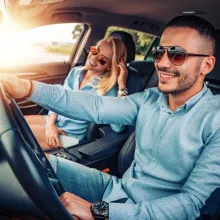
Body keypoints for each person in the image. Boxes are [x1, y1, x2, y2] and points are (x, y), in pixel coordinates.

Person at [1, 15, 220, 220]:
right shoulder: (148, 99)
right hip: (116, 188)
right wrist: (27, 87)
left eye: (177, 54)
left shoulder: (215, 120)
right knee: (37, 162)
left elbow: (190, 204)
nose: (162, 63)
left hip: (148, 212)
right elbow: (93, 105)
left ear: (207, 65)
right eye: (159, 52)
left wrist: (99, 211)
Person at [25, 36, 128, 149]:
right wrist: (50, 124)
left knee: (15, 133)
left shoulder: (107, 89)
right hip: (55, 121)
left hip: (69, 135)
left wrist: (122, 85)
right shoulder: (76, 72)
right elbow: (58, 98)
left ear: (110, 66)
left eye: (102, 59)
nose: (93, 58)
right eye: (95, 51)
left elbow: (118, 127)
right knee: (15, 121)